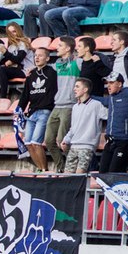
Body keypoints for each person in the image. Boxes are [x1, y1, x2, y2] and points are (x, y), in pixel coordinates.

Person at [17, 46, 57, 171]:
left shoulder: (52, 72)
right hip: (32, 112)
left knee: (36, 142)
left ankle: (45, 170)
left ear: (47, 58)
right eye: (35, 56)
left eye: (40, 55)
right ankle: (40, 169)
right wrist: (19, 109)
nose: (37, 58)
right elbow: (25, 95)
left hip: (45, 111)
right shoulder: (31, 75)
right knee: (28, 143)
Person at [44, 36, 80, 171]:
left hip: (69, 105)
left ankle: (74, 166)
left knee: (62, 141)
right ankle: (61, 167)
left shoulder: (77, 62)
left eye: (60, 46)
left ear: (68, 48)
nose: (56, 48)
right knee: (48, 140)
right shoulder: (57, 63)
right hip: (57, 105)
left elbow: (91, 62)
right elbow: (45, 67)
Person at [60, 77, 108, 173]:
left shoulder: (96, 105)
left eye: (77, 86)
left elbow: (109, 115)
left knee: (79, 175)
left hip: (87, 146)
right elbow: (73, 127)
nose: (74, 89)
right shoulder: (75, 107)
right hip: (74, 146)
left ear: (85, 89)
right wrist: (66, 139)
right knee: (67, 176)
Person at [101, 73, 128, 172]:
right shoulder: (111, 97)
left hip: (124, 140)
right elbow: (101, 100)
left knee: (114, 171)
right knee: (102, 172)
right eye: (107, 83)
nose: (108, 85)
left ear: (119, 84)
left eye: (111, 83)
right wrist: (88, 96)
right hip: (110, 140)